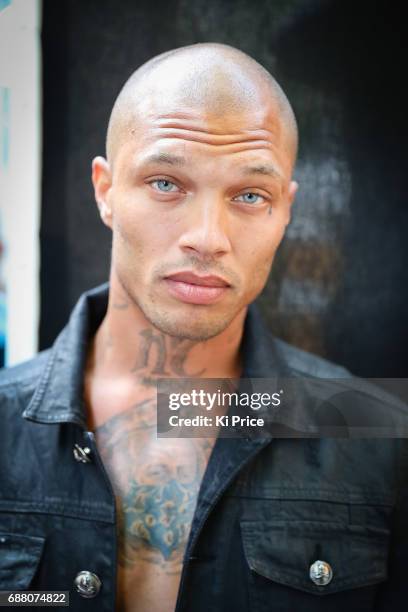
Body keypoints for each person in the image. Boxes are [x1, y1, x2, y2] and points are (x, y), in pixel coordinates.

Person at [0, 42, 407, 612]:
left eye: (249, 195)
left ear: (285, 210)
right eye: (166, 183)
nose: (208, 237)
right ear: (105, 190)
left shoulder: (373, 430)